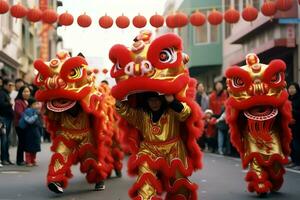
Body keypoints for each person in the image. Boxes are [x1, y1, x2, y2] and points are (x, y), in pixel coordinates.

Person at [116, 92, 196, 199]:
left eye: (157, 100)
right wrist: (119, 103)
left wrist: (172, 101)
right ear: (146, 101)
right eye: (151, 100)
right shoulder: (142, 114)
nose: (154, 103)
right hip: (149, 149)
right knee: (145, 179)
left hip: (173, 149)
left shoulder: (171, 111)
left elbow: (185, 113)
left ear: (162, 99)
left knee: (179, 184)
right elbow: (128, 113)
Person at [19, 98, 42, 167]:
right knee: (29, 146)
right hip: (29, 131)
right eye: (36, 104)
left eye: (38, 103)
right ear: (31, 105)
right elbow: (29, 121)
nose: (37, 105)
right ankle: (28, 161)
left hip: (35, 131)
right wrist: (35, 115)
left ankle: (33, 160)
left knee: (35, 146)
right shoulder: (28, 111)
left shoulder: (35, 111)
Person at [14, 86, 31, 165]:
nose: (26, 93)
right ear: (21, 93)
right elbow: (20, 112)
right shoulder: (18, 102)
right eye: (24, 91)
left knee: (23, 142)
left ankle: (22, 159)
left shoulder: (26, 101)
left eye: (28, 91)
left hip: (25, 125)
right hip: (20, 125)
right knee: (21, 142)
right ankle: (19, 160)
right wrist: (29, 118)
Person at [0, 79, 14, 165]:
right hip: (3, 118)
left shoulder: (7, 94)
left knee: (7, 140)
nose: (11, 87)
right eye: (9, 85)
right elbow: (1, 104)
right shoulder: (2, 93)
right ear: (4, 85)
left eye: (12, 85)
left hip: (8, 118)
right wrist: (10, 104)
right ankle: (4, 159)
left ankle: (7, 158)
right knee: (4, 140)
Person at [287, 82, 300, 170]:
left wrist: (292, 111)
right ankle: (294, 160)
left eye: (293, 88)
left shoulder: (299, 99)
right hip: (289, 125)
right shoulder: (288, 98)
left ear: (297, 89)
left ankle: (298, 163)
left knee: (296, 144)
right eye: (290, 88)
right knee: (290, 144)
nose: (291, 90)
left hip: (297, 125)